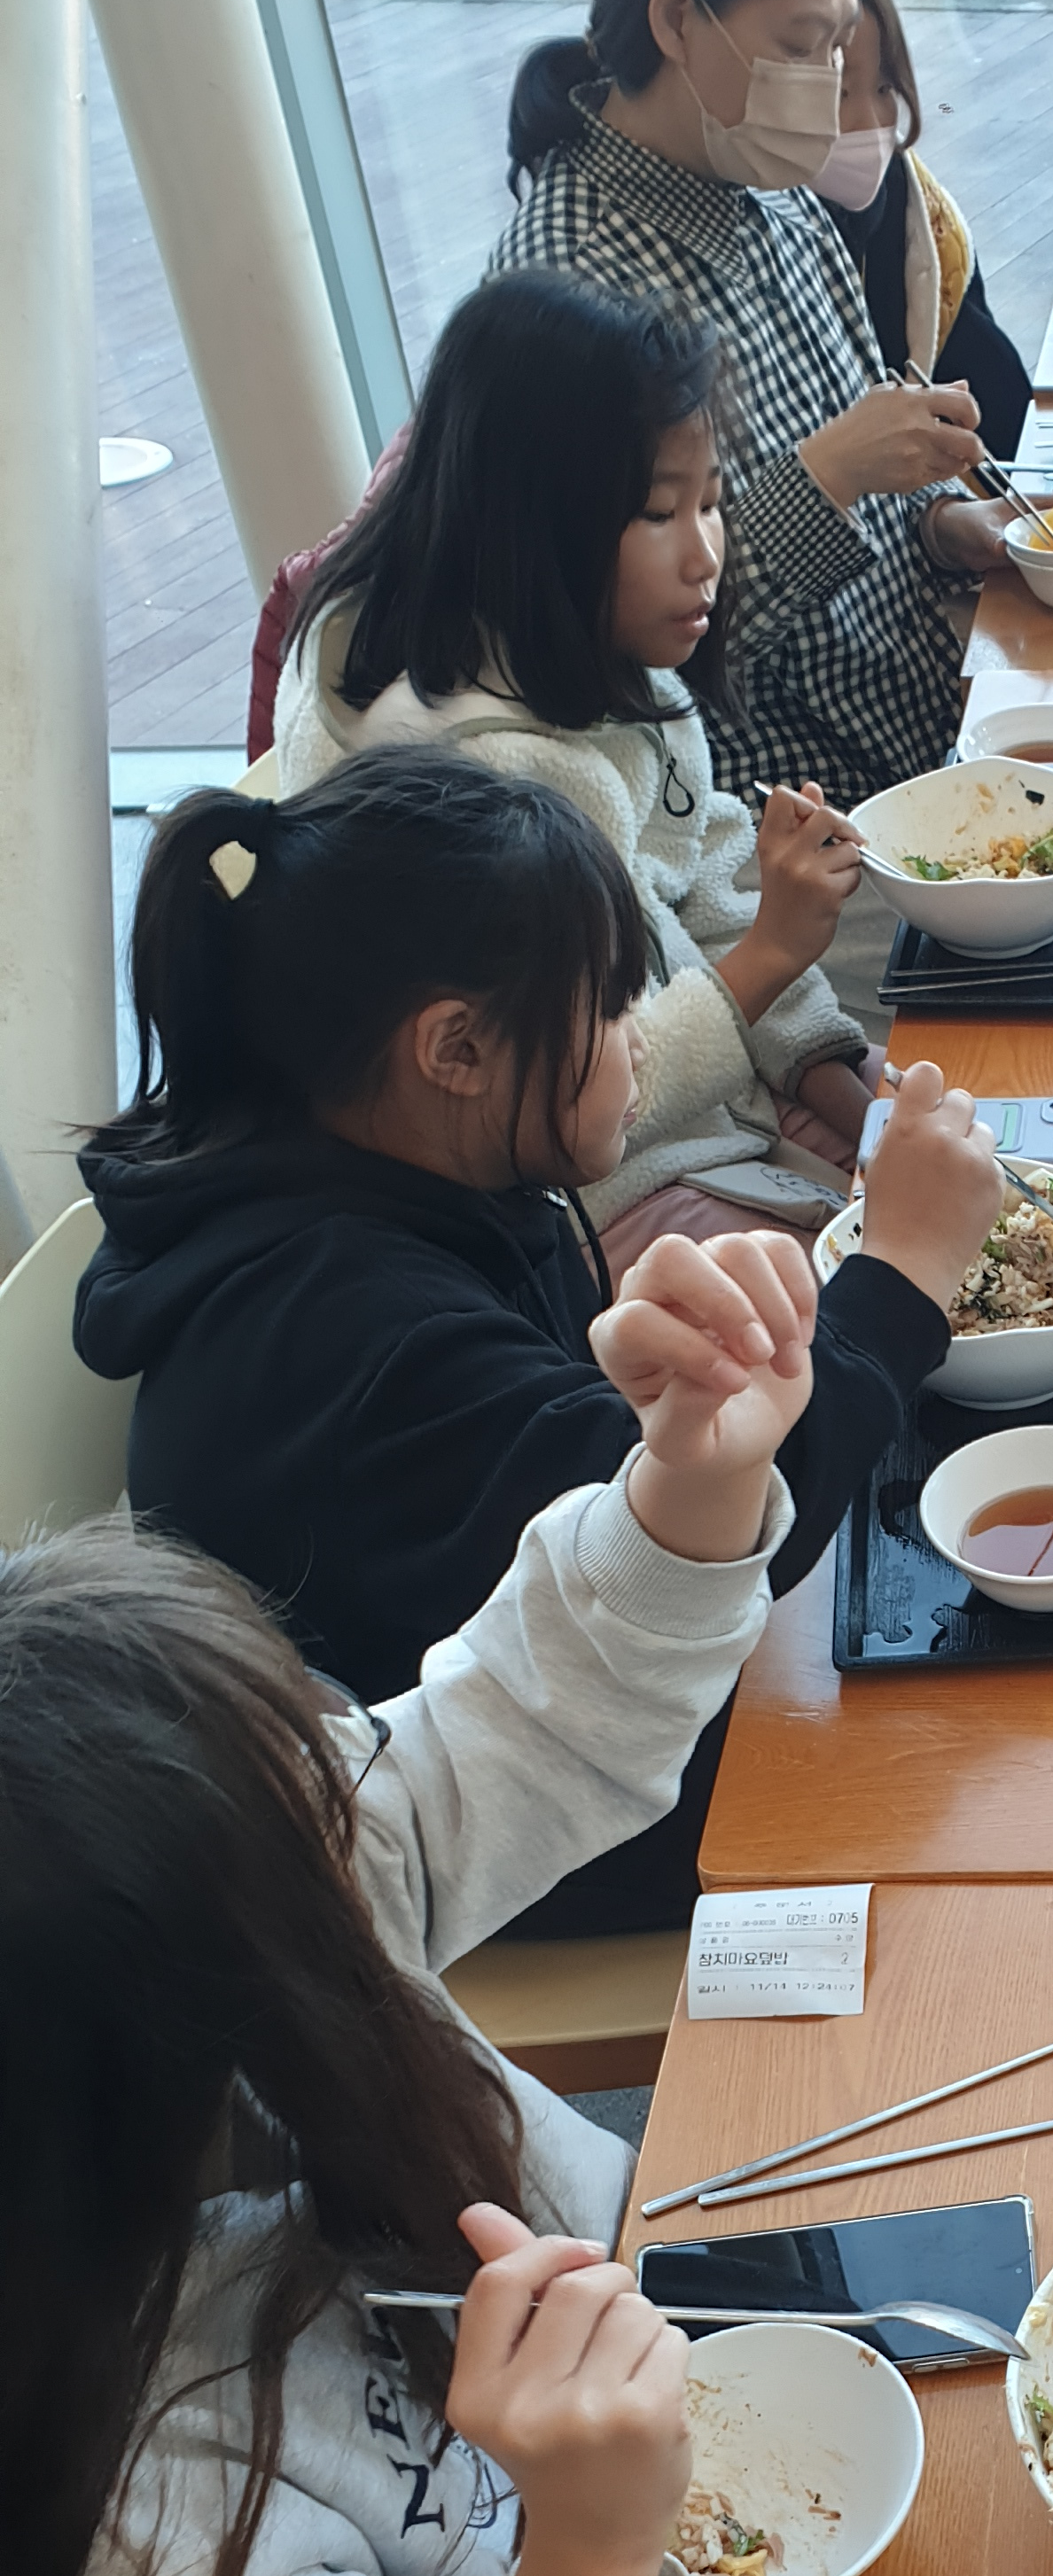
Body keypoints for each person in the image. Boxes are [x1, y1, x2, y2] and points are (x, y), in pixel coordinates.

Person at [3, 1227, 821, 2576]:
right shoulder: (134, 2529)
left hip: (611, 2564)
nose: (357, 1807)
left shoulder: (242, 1890)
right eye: (313, 1810)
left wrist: (689, 1484)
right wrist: (591, 2558)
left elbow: (511, 1716)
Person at [71, 747, 1002, 1927]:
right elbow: (679, 1563)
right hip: (491, 1848)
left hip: (560, 1714)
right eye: (610, 1008)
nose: (639, 1040)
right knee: (996, 1762)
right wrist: (906, 1271)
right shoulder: (360, 1345)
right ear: (455, 1050)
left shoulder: (386, 1178)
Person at [277, 268, 878, 1274]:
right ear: (530, 518)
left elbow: (708, 877)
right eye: (658, 513)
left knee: (957, 1159)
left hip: (721, 1111)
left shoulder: (597, 656)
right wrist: (775, 950)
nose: (706, 555)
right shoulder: (487, 787)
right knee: (907, 1293)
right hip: (601, 1196)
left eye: (713, 502)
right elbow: (585, 1105)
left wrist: (855, 1102)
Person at [499, 0, 1013, 809]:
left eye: (838, 44)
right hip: (775, 829)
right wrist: (830, 474)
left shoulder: (770, 190)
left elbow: (877, 474)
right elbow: (618, 658)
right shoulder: (569, 285)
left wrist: (945, 525)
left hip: (925, 746)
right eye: (800, 46)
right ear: (675, 17)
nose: (826, 83)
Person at [816, 0, 1033, 467]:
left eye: (884, 89)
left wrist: (947, 507)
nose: (871, 121)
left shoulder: (912, 214)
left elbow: (1000, 405)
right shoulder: (767, 230)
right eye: (840, 92)